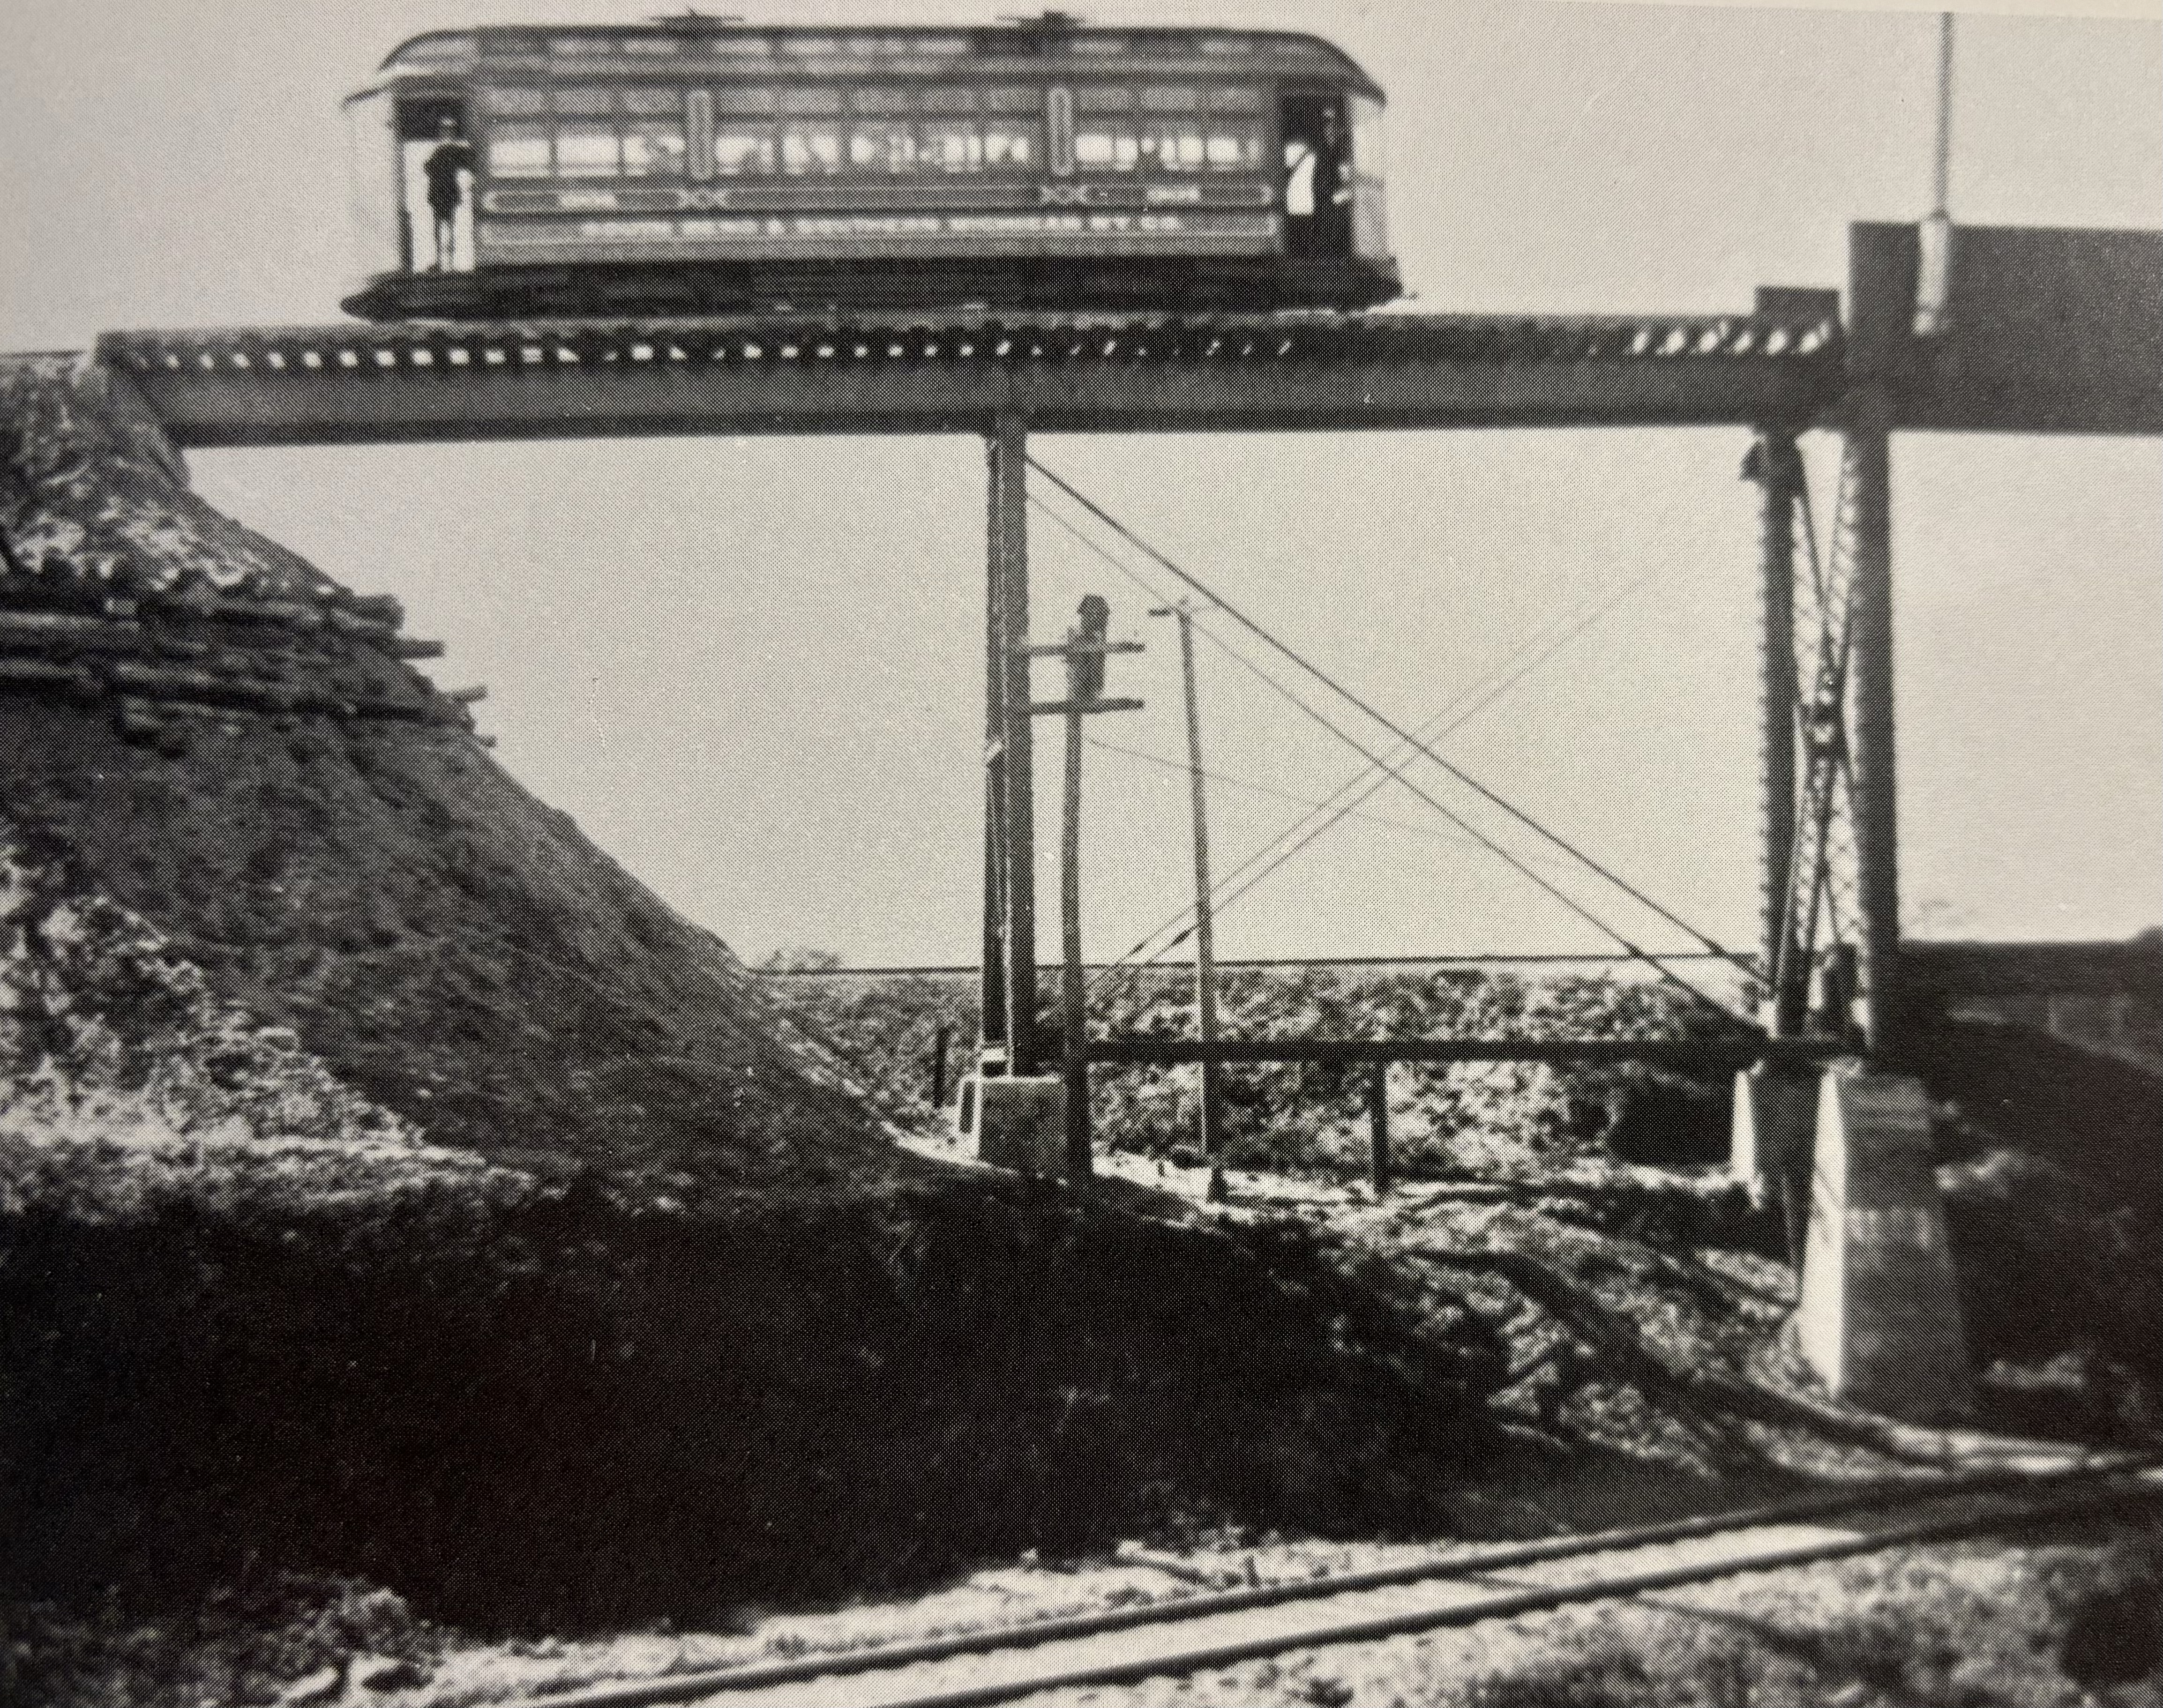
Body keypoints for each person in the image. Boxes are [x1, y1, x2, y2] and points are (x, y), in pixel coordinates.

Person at [422, 116, 475, 273]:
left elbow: (428, 167)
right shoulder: (449, 149)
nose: (446, 132)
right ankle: (443, 262)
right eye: (444, 129)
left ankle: (448, 263)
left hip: (444, 192)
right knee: (441, 226)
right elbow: (429, 168)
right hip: (442, 192)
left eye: (448, 130)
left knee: (445, 226)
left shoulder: (449, 149)